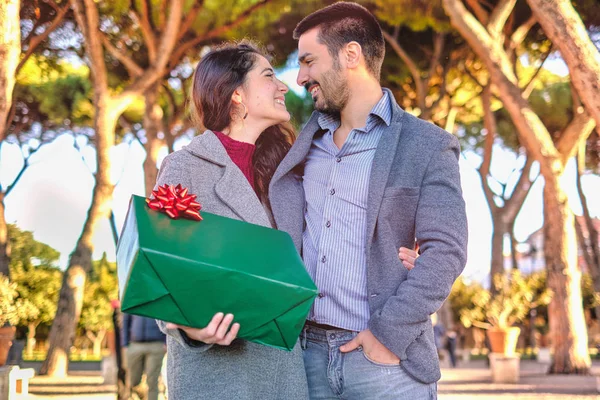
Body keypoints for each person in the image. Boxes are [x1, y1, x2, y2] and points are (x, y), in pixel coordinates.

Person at [268, 2, 468, 398]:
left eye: (309, 61)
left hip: (384, 365)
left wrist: (386, 336)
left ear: (351, 54)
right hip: (303, 359)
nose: (301, 76)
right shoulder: (301, 147)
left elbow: (445, 251)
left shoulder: (428, 145)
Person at [121, 314, 166, 400]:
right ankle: (139, 396)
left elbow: (166, 319)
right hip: (135, 344)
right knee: (133, 381)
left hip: (156, 344)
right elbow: (126, 321)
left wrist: (165, 342)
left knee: (152, 381)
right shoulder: (133, 300)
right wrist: (125, 344)